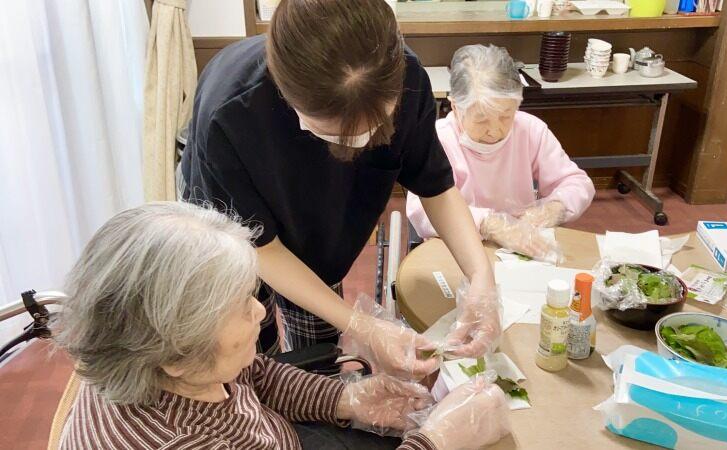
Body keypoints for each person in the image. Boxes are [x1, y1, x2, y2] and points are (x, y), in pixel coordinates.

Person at [179, 0, 499, 377]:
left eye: (375, 127)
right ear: (287, 96)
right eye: (334, 133)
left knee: (318, 354)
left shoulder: (407, 77)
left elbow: (436, 186)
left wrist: (482, 278)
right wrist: (363, 325)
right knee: (249, 347)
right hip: (233, 233)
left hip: (321, 227)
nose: (357, 145)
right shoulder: (230, 112)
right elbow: (260, 247)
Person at [54, 202, 511, 450]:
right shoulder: (181, 441)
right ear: (175, 357)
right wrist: (436, 443)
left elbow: (254, 373)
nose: (259, 311)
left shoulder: (156, 349)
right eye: (238, 308)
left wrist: (345, 398)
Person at [407, 44, 595, 259]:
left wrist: (554, 207)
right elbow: (420, 210)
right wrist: (491, 224)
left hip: (521, 246)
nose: (495, 130)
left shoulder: (530, 130)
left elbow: (577, 183)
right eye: (481, 119)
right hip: (458, 247)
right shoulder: (438, 139)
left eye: (506, 116)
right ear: (456, 106)